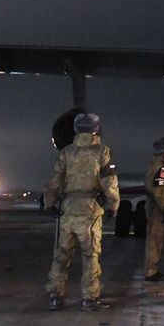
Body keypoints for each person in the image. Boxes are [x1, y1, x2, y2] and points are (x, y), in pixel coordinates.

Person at [44, 112, 120, 312]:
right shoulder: (102, 151)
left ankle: (55, 296)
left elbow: (54, 181)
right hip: (90, 212)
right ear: (96, 129)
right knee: (90, 256)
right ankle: (89, 298)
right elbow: (109, 181)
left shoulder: (66, 152)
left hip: (68, 211)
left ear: (76, 130)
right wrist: (113, 205)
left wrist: (49, 203)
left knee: (61, 255)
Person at [143, 136, 164, 282]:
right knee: (155, 240)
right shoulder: (161, 167)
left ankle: (151, 269)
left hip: (153, 206)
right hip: (157, 208)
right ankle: (151, 271)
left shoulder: (155, 163)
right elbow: (159, 191)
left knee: (153, 239)